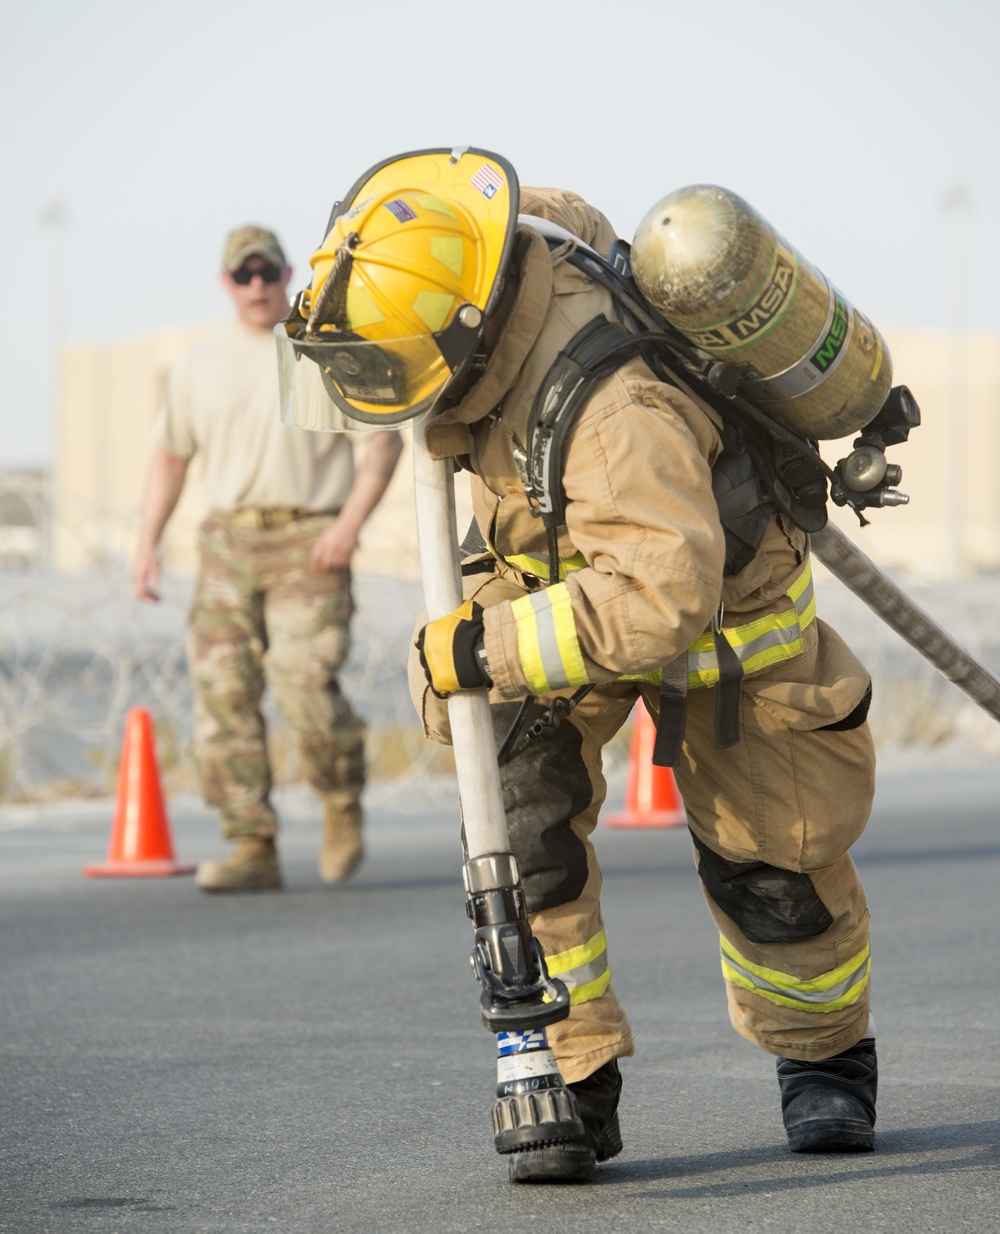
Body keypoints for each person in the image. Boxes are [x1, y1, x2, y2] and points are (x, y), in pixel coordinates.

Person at [279, 150, 879, 1181]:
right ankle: (566, 1071)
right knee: (516, 817)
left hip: (719, 617)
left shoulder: (617, 421)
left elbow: (661, 598)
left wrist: (484, 644)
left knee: (771, 865)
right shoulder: (485, 271)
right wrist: (489, 655)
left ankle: (823, 1057)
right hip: (561, 574)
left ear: (460, 343)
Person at [131, 224, 403, 893]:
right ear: (227, 283)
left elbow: (381, 446)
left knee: (303, 681)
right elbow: (170, 457)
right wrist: (147, 543)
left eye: (268, 272)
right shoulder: (200, 363)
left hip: (308, 540)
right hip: (228, 543)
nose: (257, 286)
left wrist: (348, 526)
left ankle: (340, 802)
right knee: (224, 695)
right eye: (243, 275)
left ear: (288, 275)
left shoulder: (321, 349)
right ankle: (251, 842)